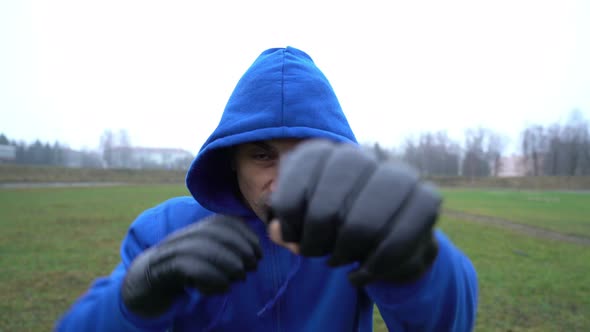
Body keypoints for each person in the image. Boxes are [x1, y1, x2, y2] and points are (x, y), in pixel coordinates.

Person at [55, 46, 478, 332]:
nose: (285, 181)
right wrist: (133, 297)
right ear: (231, 161)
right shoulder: (166, 229)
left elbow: (449, 324)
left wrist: (421, 262)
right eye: (262, 156)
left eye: (306, 156)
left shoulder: (357, 231)